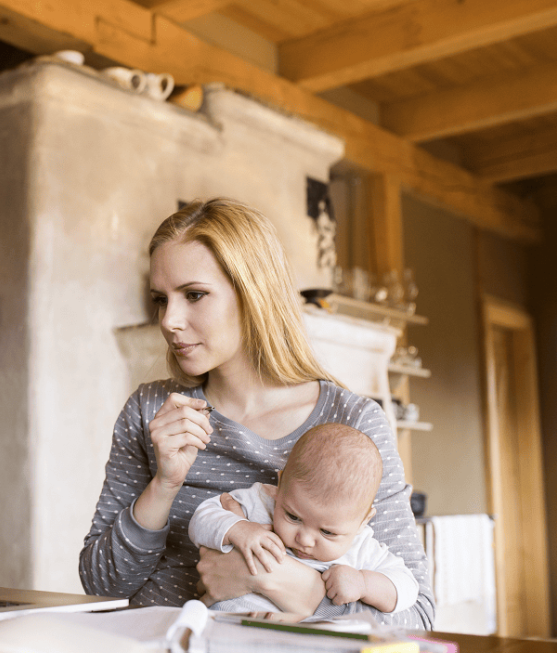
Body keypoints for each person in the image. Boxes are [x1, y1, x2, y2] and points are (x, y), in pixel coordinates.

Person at [77, 198, 433, 629]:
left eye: (194, 295)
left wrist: (287, 585)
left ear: (253, 294)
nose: (169, 320)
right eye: (160, 299)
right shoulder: (151, 409)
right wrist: (165, 483)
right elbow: (102, 584)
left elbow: (420, 616)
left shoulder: (352, 422)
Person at [189, 422, 419, 616]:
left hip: (297, 645)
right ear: (280, 487)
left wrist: (364, 584)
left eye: (327, 532)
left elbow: (408, 588)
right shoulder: (261, 503)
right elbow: (201, 518)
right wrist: (238, 528)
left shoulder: (362, 547)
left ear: (363, 521)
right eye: (293, 517)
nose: (305, 540)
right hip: (223, 627)